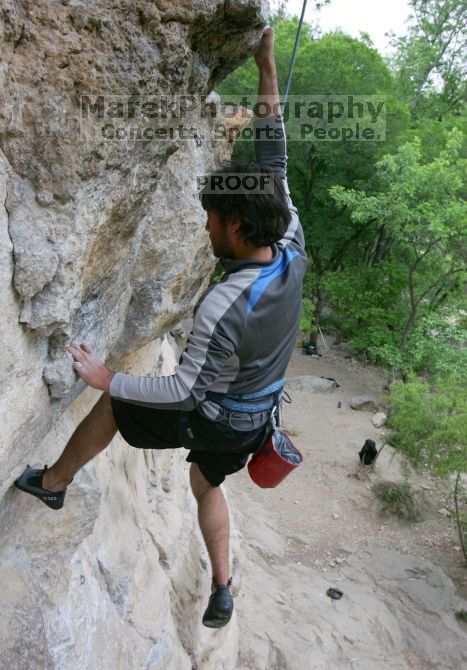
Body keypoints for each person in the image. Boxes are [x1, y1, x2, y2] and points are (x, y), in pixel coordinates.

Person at [14, 27, 307, 629]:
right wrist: (267, 67)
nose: (204, 227)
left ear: (236, 227)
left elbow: (183, 393)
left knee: (118, 405)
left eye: (211, 219)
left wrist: (106, 379)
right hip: (255, 418)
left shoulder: (226, 303)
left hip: (221, 411)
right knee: (205, 484)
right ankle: (223, 587)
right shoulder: (291, 243)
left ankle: (53, 481)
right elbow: (274, 152)